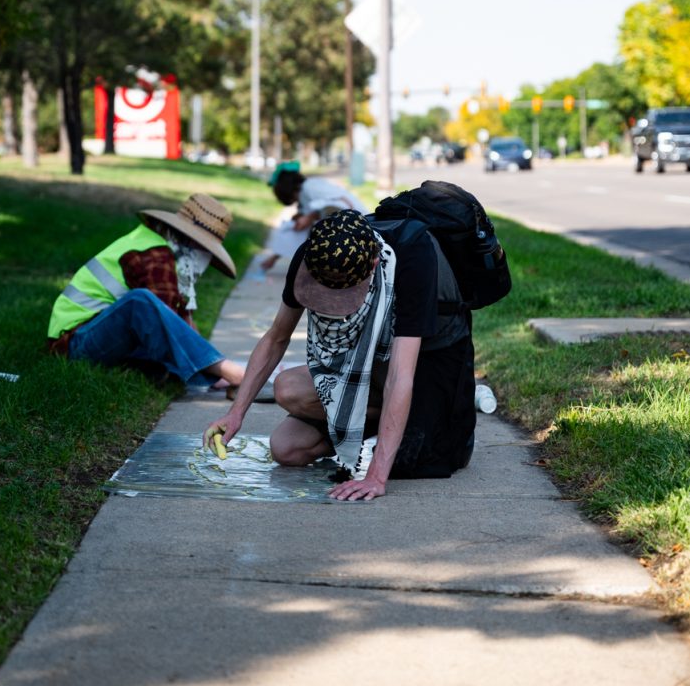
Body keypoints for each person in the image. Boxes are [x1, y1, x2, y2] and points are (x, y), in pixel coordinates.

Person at [204, 208, 476, 501]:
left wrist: (376, 475)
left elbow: (400, 375)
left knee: (415, 460)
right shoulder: (312, 256)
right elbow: (275, 338)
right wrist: (235, 414)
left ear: (373, 265)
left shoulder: (413, 260)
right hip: (364, 375)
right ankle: (369, 425)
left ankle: (408, 420)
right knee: (287, 444)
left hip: (424, 367)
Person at [47, 193, 245, 390]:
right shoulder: (155, 255)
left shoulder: (160, 245)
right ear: (190, 240)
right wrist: (221, 370)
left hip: (93, 335)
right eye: (205, 247)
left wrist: (212, 364)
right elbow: (164, 324)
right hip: (75, 343)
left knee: (158, 342)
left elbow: (180, 318)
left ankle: (206, 370)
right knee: (140, 301)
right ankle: (231, 373)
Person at [259, 161, 368, 271]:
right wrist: (274, 257)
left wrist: (310, 217)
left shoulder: (310, 186)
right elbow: (300, 233)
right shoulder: (303, 199)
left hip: (360, 226)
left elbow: (341, 205)